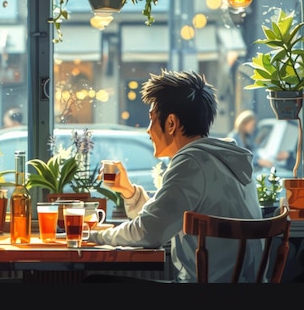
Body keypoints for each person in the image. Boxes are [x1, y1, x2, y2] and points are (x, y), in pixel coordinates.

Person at [87, 69, 263, 283]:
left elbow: (149, 233)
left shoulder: (192, 163)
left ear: (171, 123)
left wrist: (93, 235)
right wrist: (130, 193)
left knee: (96, 281)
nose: (148, 130)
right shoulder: (224, 160)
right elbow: (162, 219)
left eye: (152, 119)